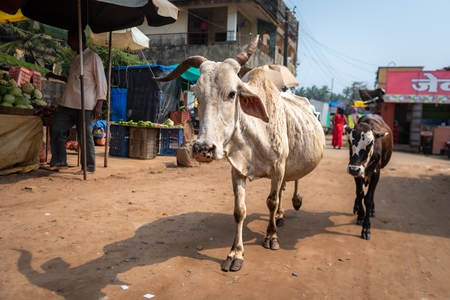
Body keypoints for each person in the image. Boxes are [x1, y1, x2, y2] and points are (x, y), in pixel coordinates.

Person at [46, 28, 107, 175]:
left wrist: (99, 104)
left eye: (70, 39)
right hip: (68, 104)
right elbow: (73, 80)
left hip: (85, 105)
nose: (68, 42)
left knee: (85, 135)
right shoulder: (76, 57)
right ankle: (60, 161)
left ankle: (88, 166)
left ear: (78, 39)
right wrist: (56, 76)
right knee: (56, 127)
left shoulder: (93, 57)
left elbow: (102, 82)